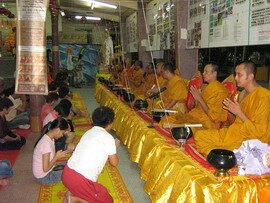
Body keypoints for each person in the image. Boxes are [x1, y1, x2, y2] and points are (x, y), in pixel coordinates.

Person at [195, 61, 270, 155]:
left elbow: (260, 134)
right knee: (200, 136)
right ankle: (223, 155)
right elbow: (237, 121)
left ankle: (225, 156)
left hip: (249, 139)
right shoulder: (242, 94)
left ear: (250, 76)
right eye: (235, 74)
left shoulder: (264, 97)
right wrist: (234, 112)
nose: (235, 78)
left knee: (216, 149)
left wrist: (239, 113)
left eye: (239, 75)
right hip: (235, 132)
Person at [62, 106, 120, 202]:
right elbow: (114, 163)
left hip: (67, 173)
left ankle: (72, 193)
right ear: (110, 123)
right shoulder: (108, 138)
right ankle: (75, 199)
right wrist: (114, 148)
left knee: (98, 192)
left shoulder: (88, 132)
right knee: (108, 201)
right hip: (81, 180)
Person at [166, 63, 229, 131]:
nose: (203, 73)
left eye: (206, 72)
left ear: (214, 73)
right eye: (203, 71)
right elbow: (198, 107)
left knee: (176, 128)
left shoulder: (220, 91)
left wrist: (199, 98)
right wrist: (197, 99)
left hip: (207, 123)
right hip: (197, 116)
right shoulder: (206, 87)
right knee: (169, 120)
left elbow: (213, 117)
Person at [32, 118, 70, 185]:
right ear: (58, 130)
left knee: (70, 162)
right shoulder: (46, 144)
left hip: (49, 169)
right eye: (62, 133)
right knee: (71, 171)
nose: (62, 135)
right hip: (44, 177)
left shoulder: (49, 138)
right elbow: (45, 169)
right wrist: (56, 157)